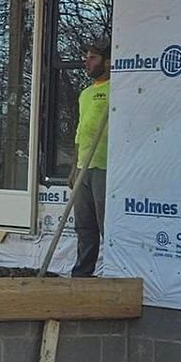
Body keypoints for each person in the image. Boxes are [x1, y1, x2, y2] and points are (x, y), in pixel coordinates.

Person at [71, 38, 111, 278]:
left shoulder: (117, 89)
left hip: (105, 166)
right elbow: (80, 131)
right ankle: (82, 274)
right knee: (84, 225)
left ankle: (115, 272)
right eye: (86, 57)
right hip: (84, 166)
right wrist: (74, 167)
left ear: (108, 62)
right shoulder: (85, 94)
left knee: (106, 224)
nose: (87, 62)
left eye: (93, 57)